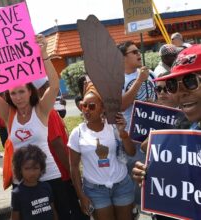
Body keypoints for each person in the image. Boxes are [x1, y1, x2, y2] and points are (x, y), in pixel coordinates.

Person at [0, 35, 69, 219]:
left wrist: (43, 54)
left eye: (21, 91)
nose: (17, 97)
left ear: (30, 92)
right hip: (22, 180)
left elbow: (53, 86)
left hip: (49, 175)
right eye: (13, 93)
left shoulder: (42, 110)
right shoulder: (8, 114)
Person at [133, 44, 201, 220]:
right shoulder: (182, 126)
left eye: (190, 81)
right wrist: (153, 176)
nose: (180, 93)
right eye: (172, 85)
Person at [68, 83, 136, 220]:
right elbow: (74, 167)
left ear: (103, 108)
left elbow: (131, 152)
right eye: (83, 105)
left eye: (92, 106)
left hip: (122, 185)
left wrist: (123, 134)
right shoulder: (77, 133)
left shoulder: (114, 127)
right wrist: (81, 196)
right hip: (95, 191)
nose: (87, 110)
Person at [34, 79, 89, 220]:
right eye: (48, 87)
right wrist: (72, 173)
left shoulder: (42, 111)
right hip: (62, 175)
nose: (54, 90)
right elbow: (57, 144)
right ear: (40, 91)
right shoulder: (48, 112)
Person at [118, 41, 156, 217]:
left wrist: (154, 104)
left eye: (138, 51)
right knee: (137, 177)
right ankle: (139, 209)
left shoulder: (151, 74)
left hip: (153, 135)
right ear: (123, 57)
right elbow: (122, 104)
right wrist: (139, 81)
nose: (139, 54)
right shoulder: (118, 79)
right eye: (133, 52)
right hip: (132, 137)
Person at [11, 145, 58, 220]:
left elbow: (53, 210)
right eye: (27, 168)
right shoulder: (17, 193)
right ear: (20, 169)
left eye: (35, 168)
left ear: (41, 169)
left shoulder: (46, 186)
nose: (32, 173)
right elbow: (15, 217)